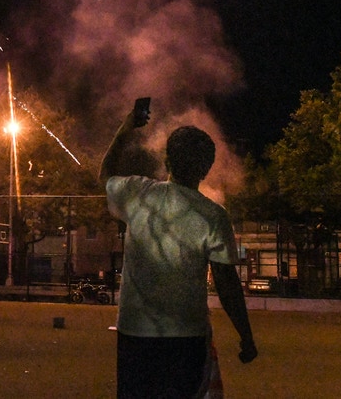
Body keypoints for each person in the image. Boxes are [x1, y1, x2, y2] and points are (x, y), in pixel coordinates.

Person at [101, 110, 257, 399]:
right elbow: (227, 284)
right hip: (187, 337)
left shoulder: (138, 194)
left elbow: (106, 174)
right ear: (206, 169)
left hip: (135, 333)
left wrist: (125, 128)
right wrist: (246, 337)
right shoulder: (214, 216)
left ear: (167, 160)